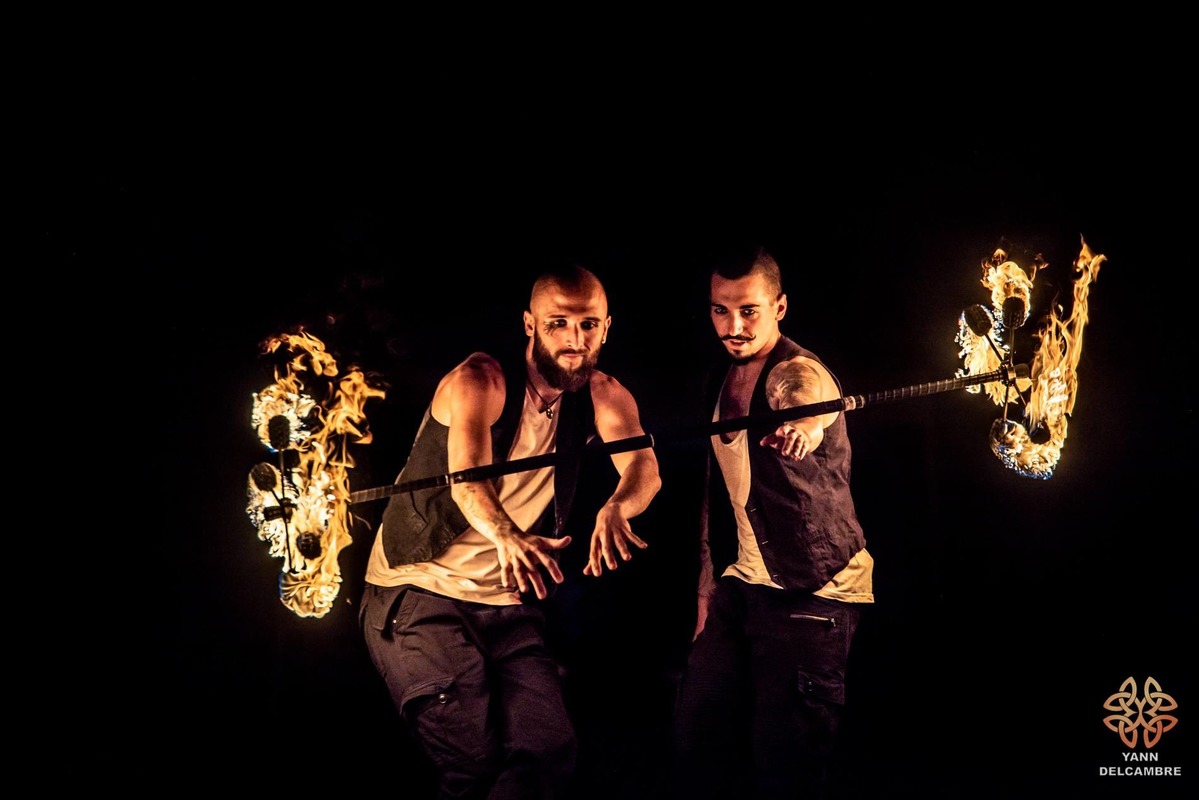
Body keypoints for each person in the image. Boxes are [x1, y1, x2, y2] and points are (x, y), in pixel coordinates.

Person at [359, 264, 662, 799]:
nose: (574, 340)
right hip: (419, 591)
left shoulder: (602, 394)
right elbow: (467, 481)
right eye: (558, 324)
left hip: (504, 604)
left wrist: (618, 506)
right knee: (472, 762)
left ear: (607, 327)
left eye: (588, 325)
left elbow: (644, 468)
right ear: (530, 324)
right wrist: (507, 535)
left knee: (549, 752)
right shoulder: (482, 380)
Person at [672, 245, 875, 799]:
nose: (734, 327)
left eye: (749, 311)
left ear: (779, 307)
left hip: (813, 590)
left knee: (788, 772)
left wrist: (802, 427)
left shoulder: (798, 368)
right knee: (696, 745)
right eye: (721, 311)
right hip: (742, 587)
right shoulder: (719, 381)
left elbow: (806, 394)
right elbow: (719, 492)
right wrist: (707, 589)